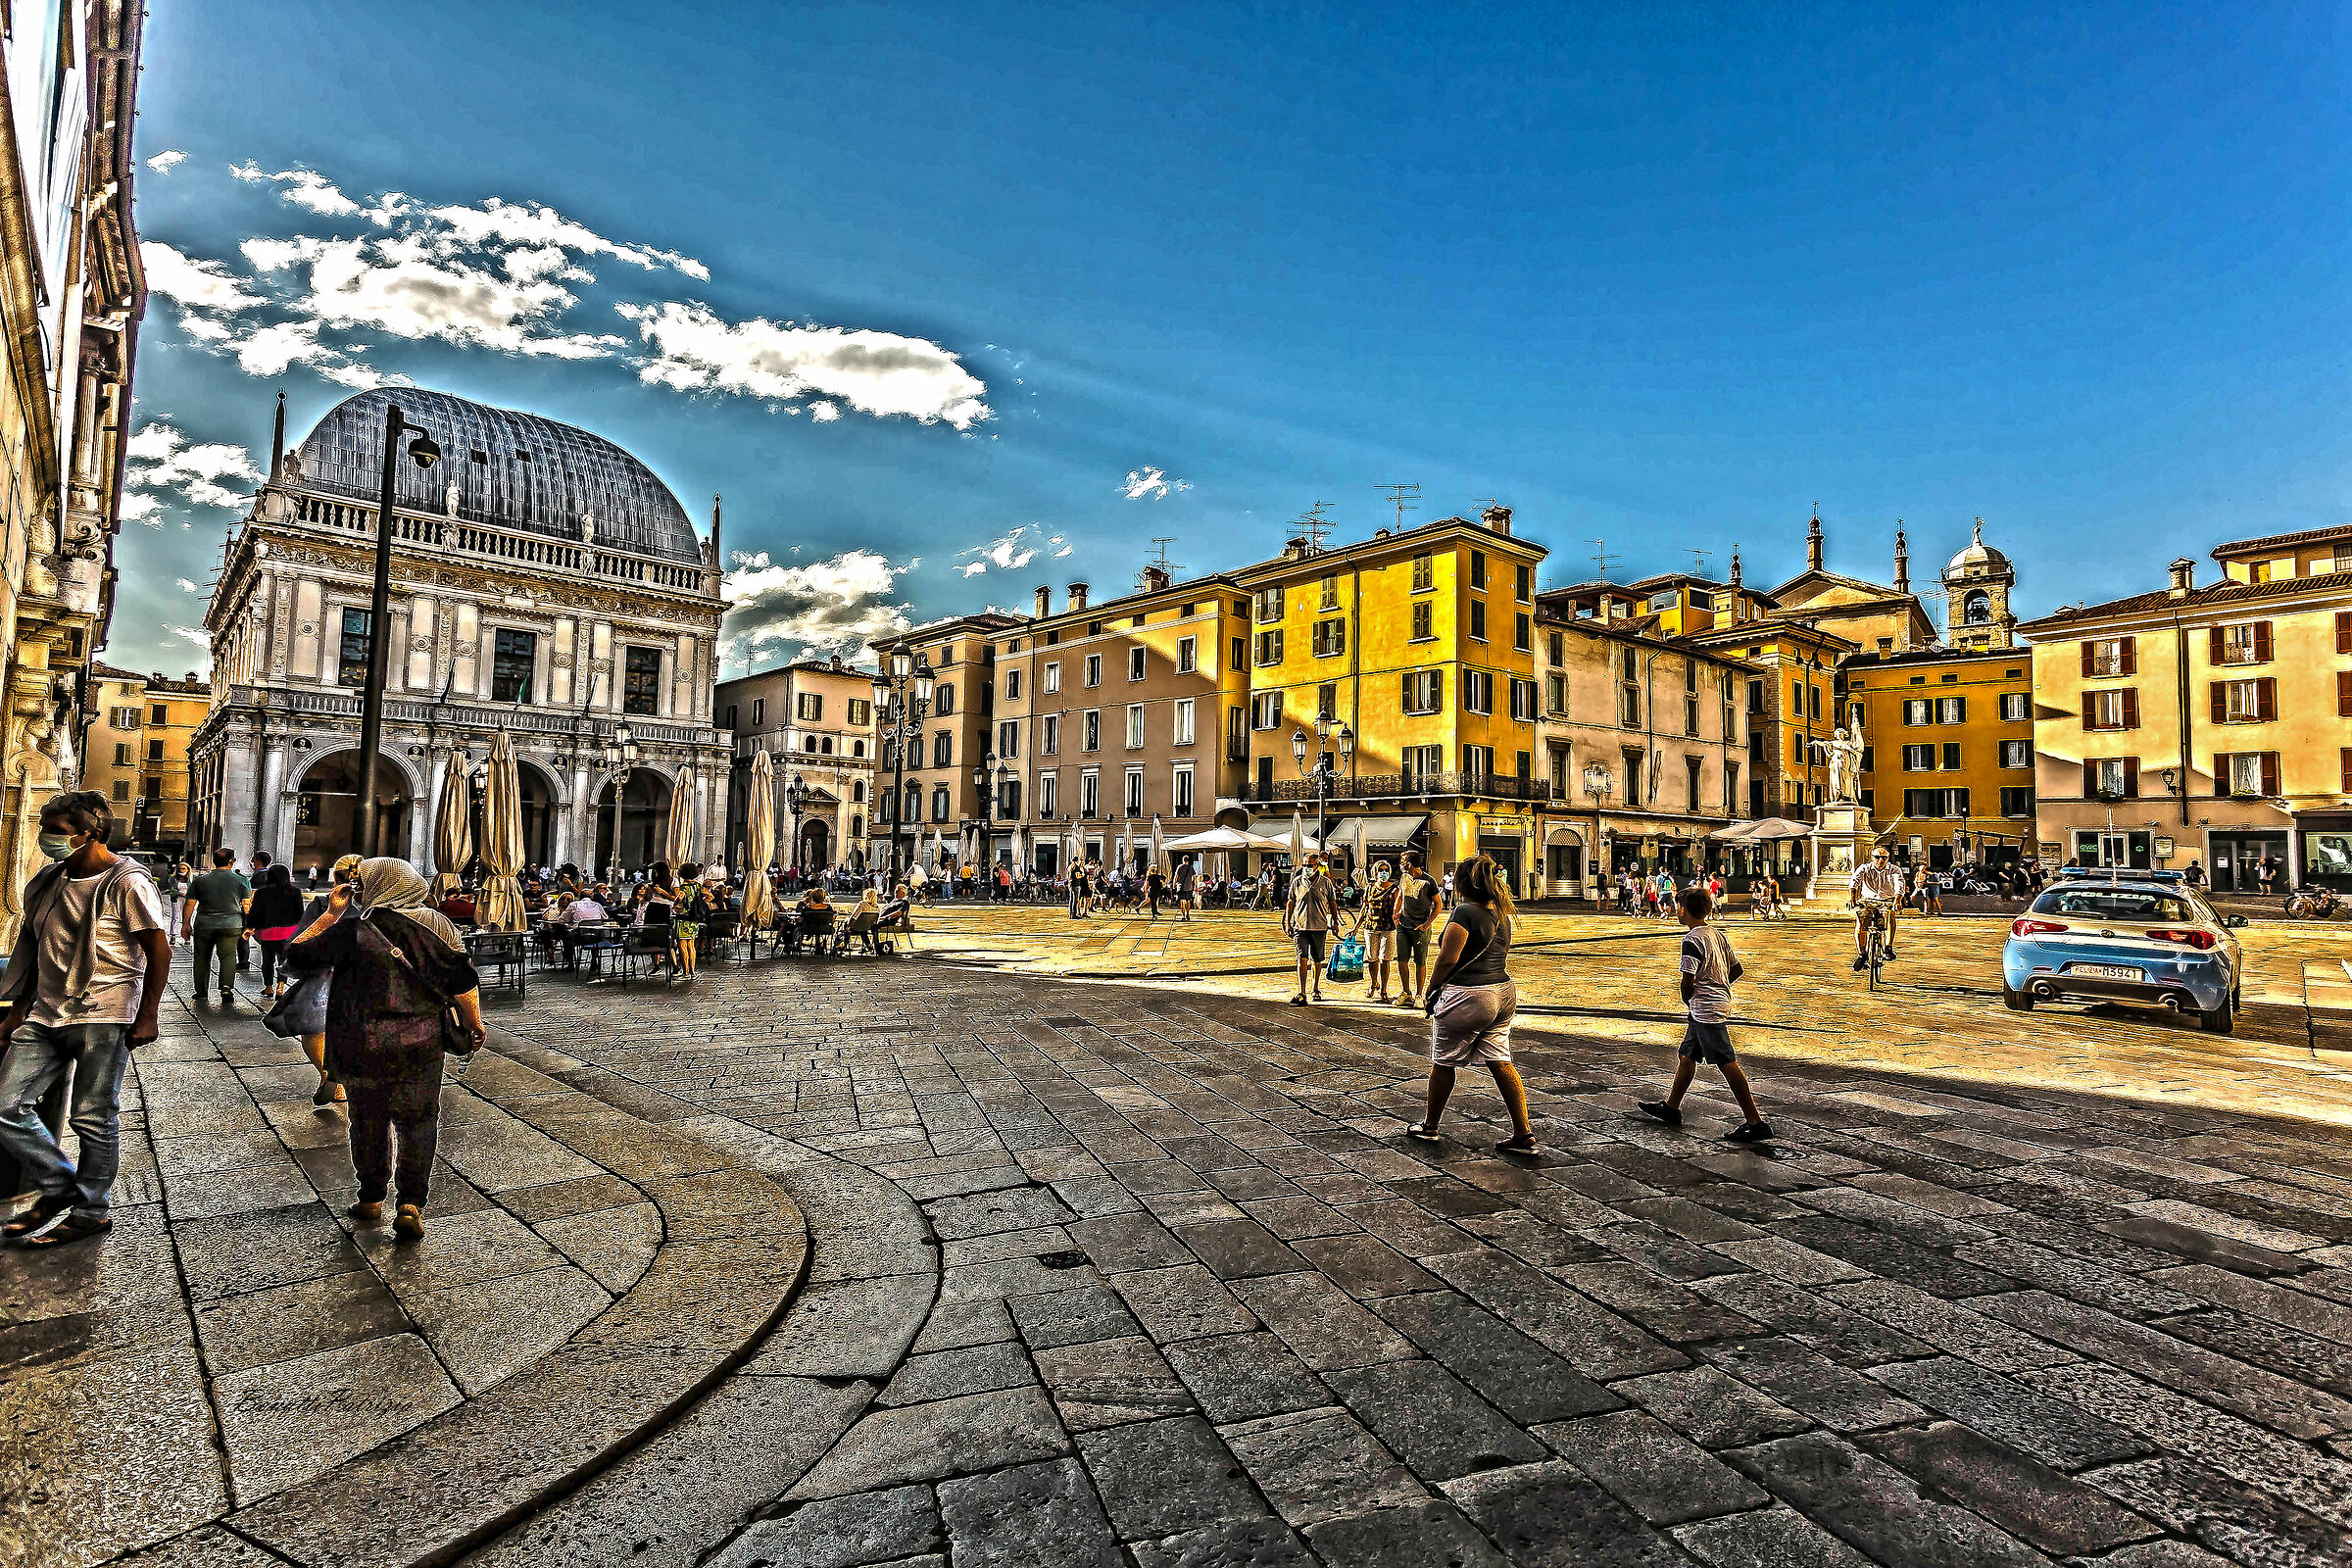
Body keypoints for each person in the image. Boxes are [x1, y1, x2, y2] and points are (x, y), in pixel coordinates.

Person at [0, 792, 171, 1249]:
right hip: (45, 1010)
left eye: (54, 828)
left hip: (105, 1010)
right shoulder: (52, 879)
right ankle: (59, 1187)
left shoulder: (127, 882)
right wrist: (18, 1008)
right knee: (6, 1105)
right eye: (44, 826)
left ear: (87, 833)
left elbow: (158, 949)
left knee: (93, 1117)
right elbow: (36, 946)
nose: (45, 835)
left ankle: (92, 1211)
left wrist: (148, 1014)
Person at [288, 858, 484, 1243]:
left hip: (363, 1042)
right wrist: (474, 1024)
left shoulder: (353, 931)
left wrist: (331, 914)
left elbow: (295, 957)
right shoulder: (438, 925)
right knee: (420, 1121)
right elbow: (462, 980)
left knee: (368, 1119)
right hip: (422, 1041)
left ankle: (372, 1197)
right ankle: (411, 1204)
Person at [1404, 854, 1535, 1152]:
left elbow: (1448, 958)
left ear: (1461, 884)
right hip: (1503, 992)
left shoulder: (1463, 912)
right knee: (1501, 1060)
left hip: (1469, 995)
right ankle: (1523, 1133)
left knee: (1443, 1061)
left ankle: (1430, 1126)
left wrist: (1432, 989)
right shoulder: (1501, 912)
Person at [1639, 885, 1771, 1142]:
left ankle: (1755, 1122)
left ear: (1682, 911)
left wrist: (1691, 996)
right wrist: (1719, 987)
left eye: (1678, 907)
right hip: (1713, 1004)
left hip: (1705, 1010)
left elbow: (1687, 979)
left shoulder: (1691, 940)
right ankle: (1671, 1107)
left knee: (1726, 1061)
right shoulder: (1717, 935)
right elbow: (1736, 969)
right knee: (1687, 1056)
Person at [296, 854, 364, 1105]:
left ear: (334, 876)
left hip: (321, 974)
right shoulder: (368, 906)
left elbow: (301, 939)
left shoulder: (323, 903)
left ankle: (328, 1075)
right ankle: (341, 1077)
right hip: (357, 976)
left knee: (313, 1029)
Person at [182, 847, 250, 1004]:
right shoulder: (241, 880)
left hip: (204, 923)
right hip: (231, 924)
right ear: (231, 862)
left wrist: (185, 924)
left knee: (201, 957)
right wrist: (248, 924)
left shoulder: (200, 880)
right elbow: (247, 906)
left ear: (213, 861)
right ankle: (226, 988)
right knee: (228, 955)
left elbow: (189, 904)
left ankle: (201, 991)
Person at [1283, 854, 1337, 1005]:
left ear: (1316, 865)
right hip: (1300, 926)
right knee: (1301, 958)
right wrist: (1288, 922)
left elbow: (1332, 903)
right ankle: (1301, 991)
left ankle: (1315, 988)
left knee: (1317, 960)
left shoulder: (1325, 883)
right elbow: (1290, 902)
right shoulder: (1297, 881)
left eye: (1310, 865)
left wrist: (1335, 921)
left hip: (1319, 926)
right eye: (1305, 865)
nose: (1307, 868)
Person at [247, 864, 306, 999]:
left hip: (266, 933)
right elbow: (300, 914)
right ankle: (281, 986)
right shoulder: (295, 892)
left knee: (267, 961)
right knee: (283, 960)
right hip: (287, 932)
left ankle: (268, 987)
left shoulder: (261, 892)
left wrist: (250, 927)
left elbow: (255, 913)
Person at [1393, 851, 1442, 1007]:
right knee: (1402, 960)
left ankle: (1420, 995)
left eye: (1403, 861)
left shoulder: (1429, 881)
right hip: (1403, 925)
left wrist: (1427, 924)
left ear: (1410, 863)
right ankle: (1406, 992)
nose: (1401, 864)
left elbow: (1438, 904)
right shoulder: (1404, 878)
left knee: (1420, 961)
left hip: (1420, 927)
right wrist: (1396, 914)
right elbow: (1400, 896)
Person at [1848, 845, 1908, 970]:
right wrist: (1852, 899)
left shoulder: (1894, 870)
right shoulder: (1865, 868)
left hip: (1887, 899)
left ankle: (1888, 948)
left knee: (1890, 915)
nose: (1880, 860)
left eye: (1884, 858)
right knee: (1861, 922)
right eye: (1877, 857)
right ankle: (1862, 955)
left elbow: (1899, 886)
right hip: (1868, 899)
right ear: (1872, 858)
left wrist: (1897, 901)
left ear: (1887, 859)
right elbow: (1854, 882)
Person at [1355, 859, 1398, 1003]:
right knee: (1372, 959)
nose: (1384, 873)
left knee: (1384, 959)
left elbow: (1398, 909)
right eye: (1381, 870)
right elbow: (1364, 908)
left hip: (1388, 927)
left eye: (1386, 870)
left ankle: (1384, 989)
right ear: (1375, 872)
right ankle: (1374, 983)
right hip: (1370, 927)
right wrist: (1356, 927)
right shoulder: (1369, 888)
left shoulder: (1394, 889)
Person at [672, 861, 710, 981]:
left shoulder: (684, 887)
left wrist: (676, 905)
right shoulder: (698, 886)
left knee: (682, 946)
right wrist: (701, 904)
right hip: (694, 920)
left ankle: (686, 972)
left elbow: (679, 898)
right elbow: (710, 896)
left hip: (683, 919)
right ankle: (693, 971)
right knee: (691, 946)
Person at [1175, 856, 1197, 921]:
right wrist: (1196, 886)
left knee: (1182, 901)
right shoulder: (1191, 867)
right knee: (1188, 901)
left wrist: (1174, 884)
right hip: (1189, 886)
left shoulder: (1179, 867)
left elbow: (1176, 876)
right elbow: (1195, 877)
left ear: (1182, 860)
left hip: (1181, 886)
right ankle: (1188, 914)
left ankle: (1183, 916)